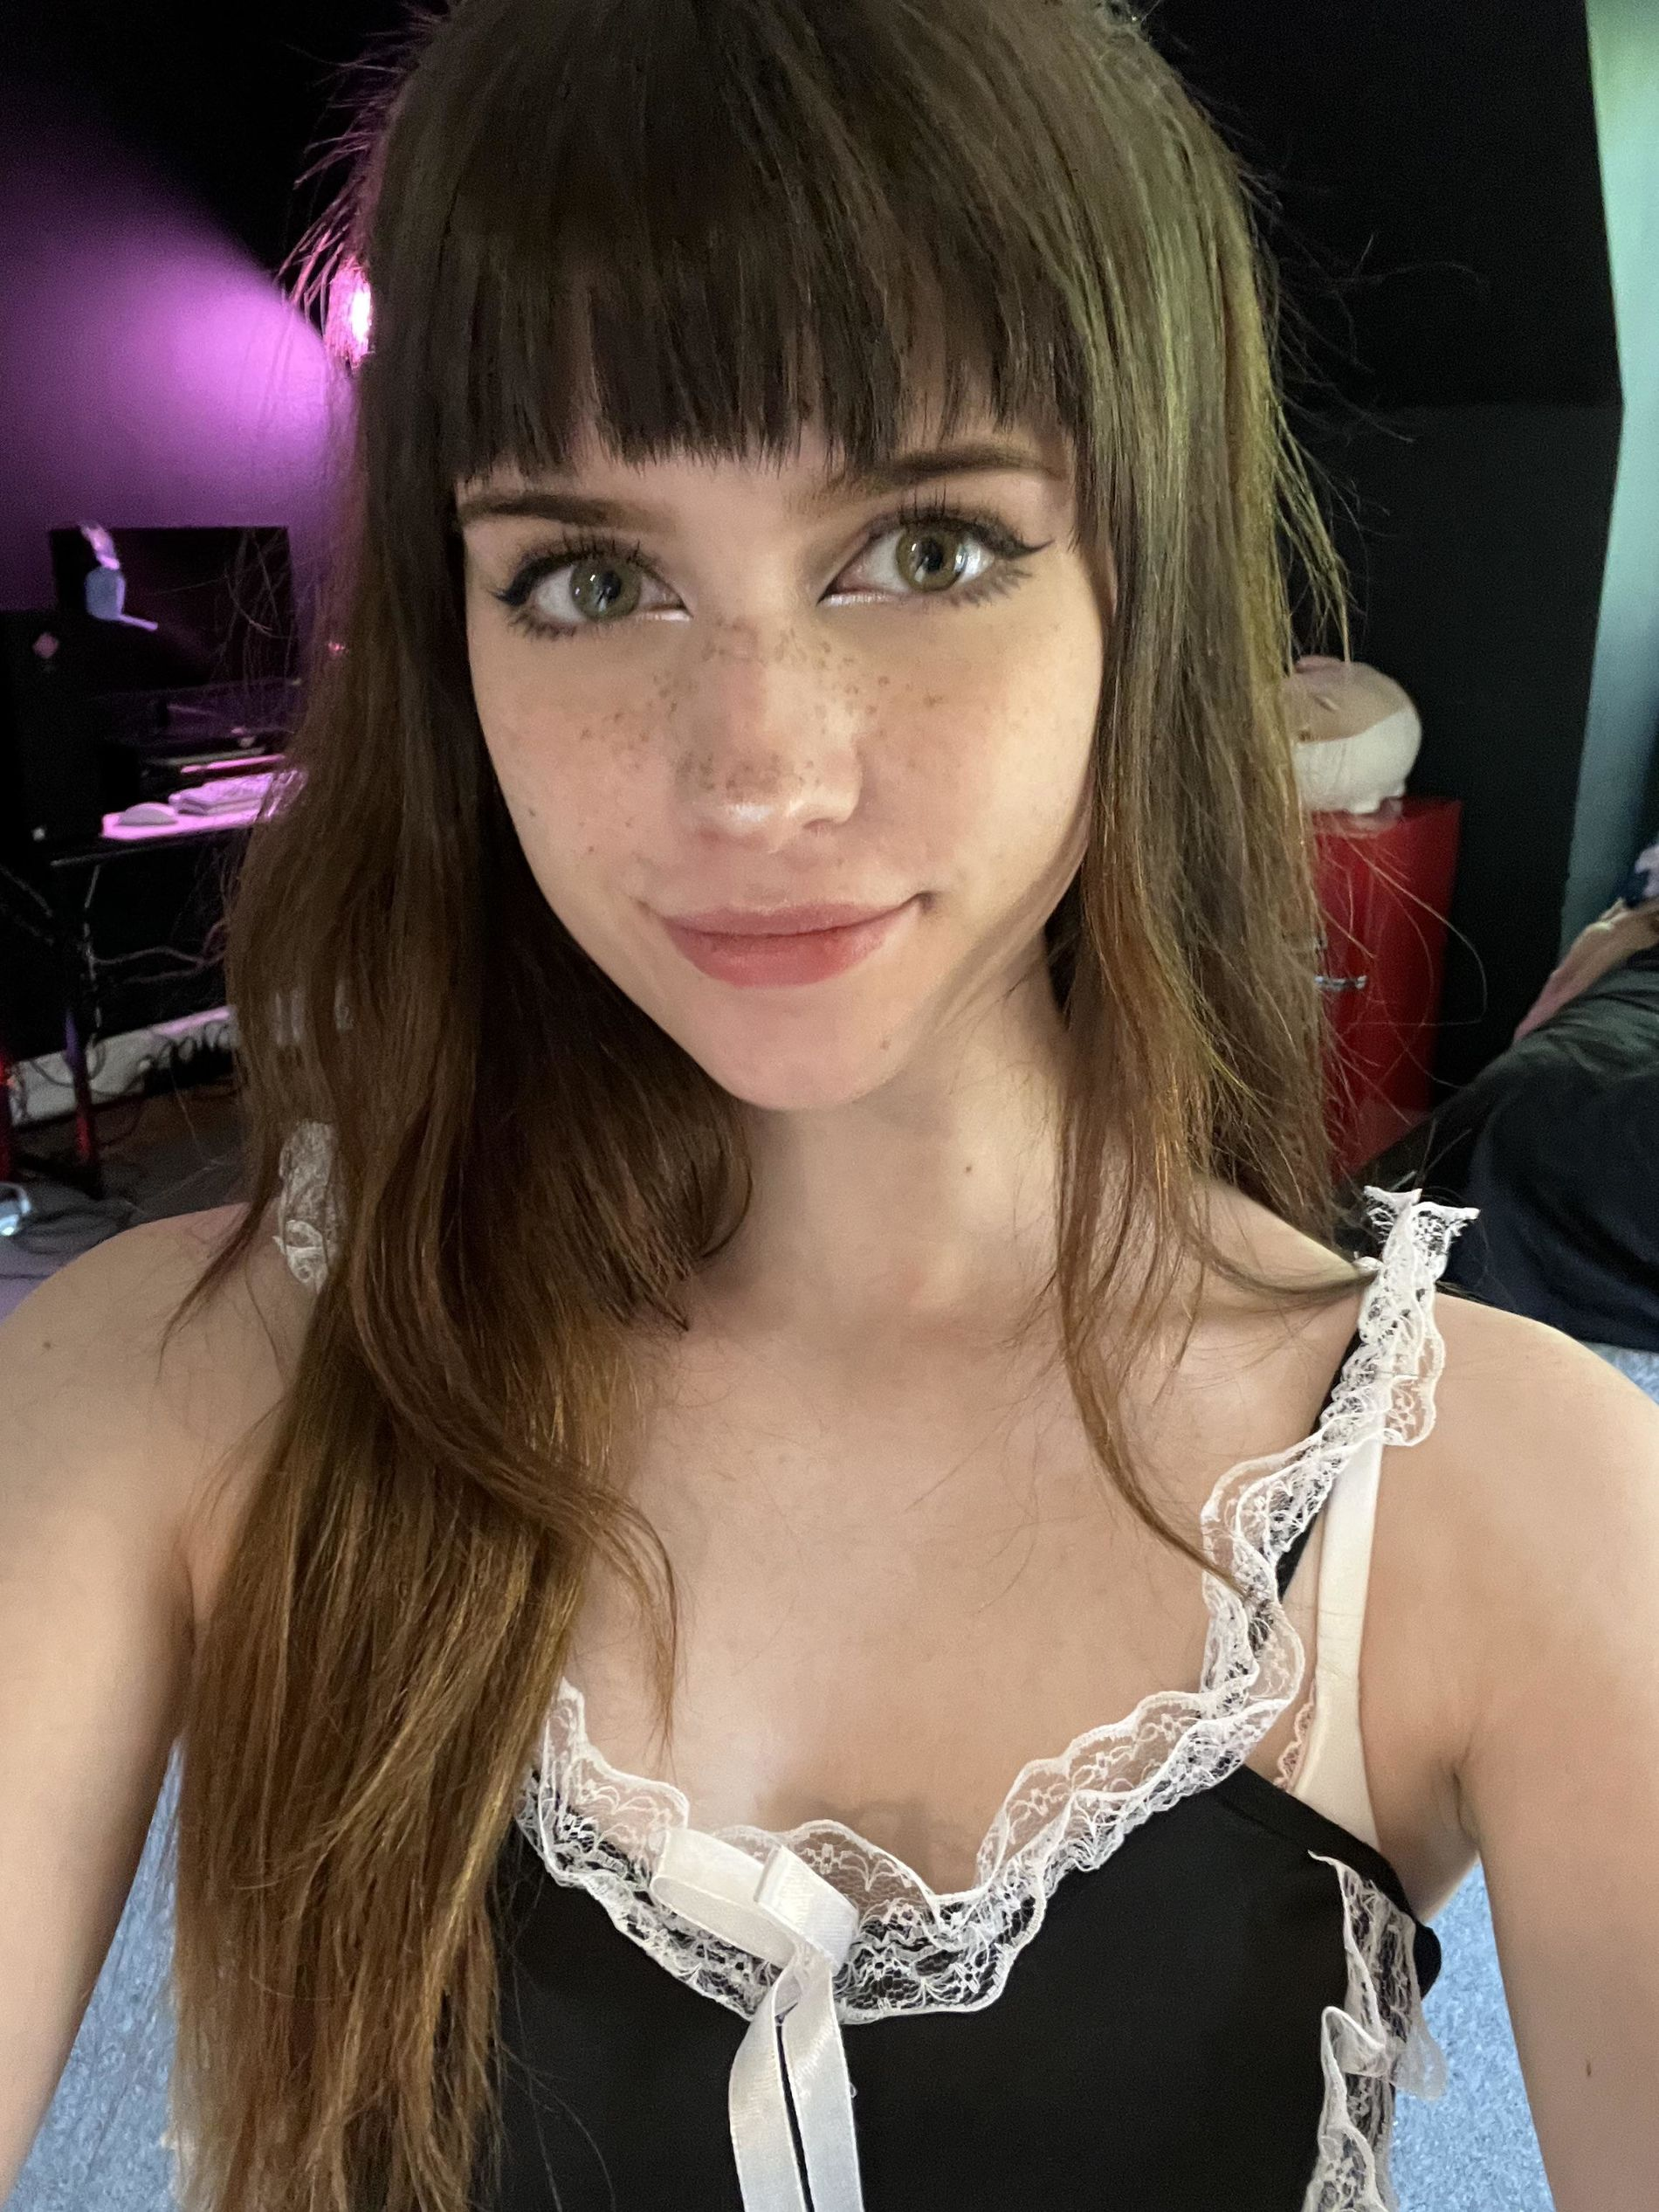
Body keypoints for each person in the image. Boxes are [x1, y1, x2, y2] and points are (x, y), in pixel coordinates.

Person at [3, 3, 1656, 2209]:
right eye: (593, 580)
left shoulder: (1494, 1503)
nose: (757, 773)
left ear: (1143, 581)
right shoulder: (167, 1397)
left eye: (927, 547)